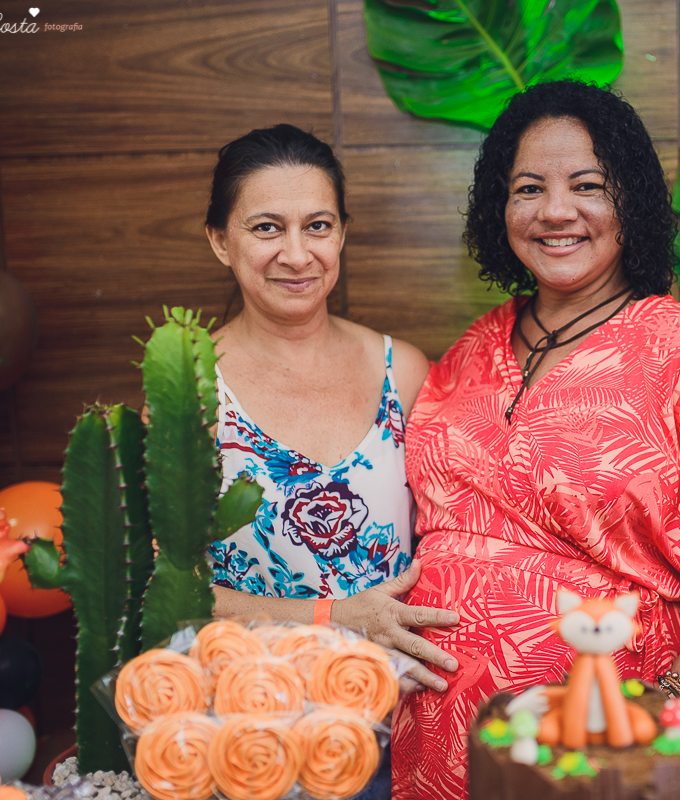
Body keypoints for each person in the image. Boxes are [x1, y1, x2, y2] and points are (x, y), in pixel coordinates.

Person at [390, 82, 680, 799]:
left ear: (629, 203)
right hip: (444, 749)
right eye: (528, 189)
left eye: (587, 186)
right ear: (498, 208)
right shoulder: (472, 349)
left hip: (613, 754)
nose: (555, 211)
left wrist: (661, 705)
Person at [201, 125, 462, 797]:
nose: (296, 253)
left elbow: (450, 534)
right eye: (266, 228)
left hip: (401, 724)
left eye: (317, 225)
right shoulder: (189, 389)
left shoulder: (400, 370)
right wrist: (333, 617)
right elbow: (157, 593)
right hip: (253, 733)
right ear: (219, 240)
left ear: (342, 234)